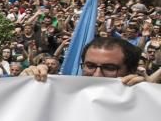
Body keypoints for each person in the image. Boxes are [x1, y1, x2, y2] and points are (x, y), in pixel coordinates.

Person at [22, 36, 157, 85]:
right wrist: (26, 83)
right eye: (90, 66)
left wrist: (146, 96)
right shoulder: (64, 95)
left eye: (109, 68)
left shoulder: (146, 103)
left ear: (131, 70)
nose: (97, 74)